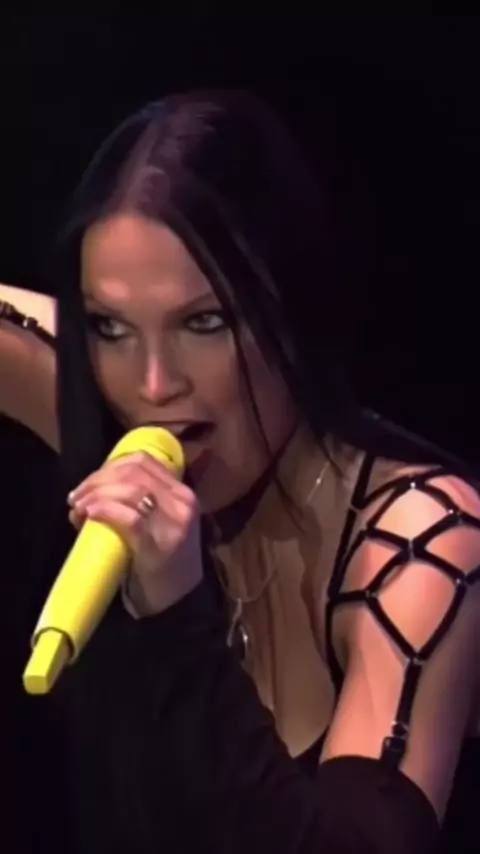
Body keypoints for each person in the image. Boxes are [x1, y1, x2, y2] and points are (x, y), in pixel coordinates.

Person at [1, 89, 480, 854]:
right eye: (111, 326)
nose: (153, 385)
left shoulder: (420, 539)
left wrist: (177, 617)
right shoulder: (107, 413)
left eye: (205, 322)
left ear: (293, 309)